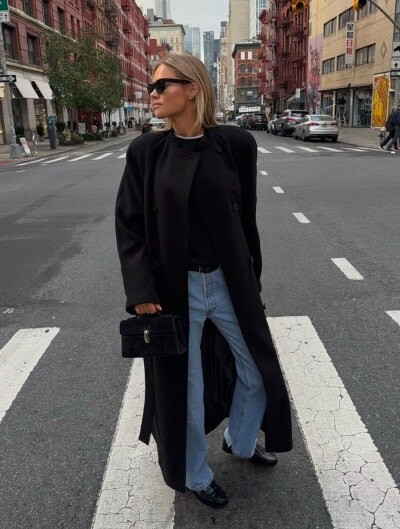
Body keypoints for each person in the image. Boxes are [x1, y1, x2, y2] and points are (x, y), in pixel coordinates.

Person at [115, 54, 292, 509]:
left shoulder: (235, 145)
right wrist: (141, 291)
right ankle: (195, 473)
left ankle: (240, 438)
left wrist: (252, 277)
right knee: (186, 390)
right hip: (176, 291)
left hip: (229, 281)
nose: (153, 94)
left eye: (163, 85)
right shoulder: (146, 152)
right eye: (152, 87)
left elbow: (246, 218)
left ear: (192, 89)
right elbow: (130, 226)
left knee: (258, 370)